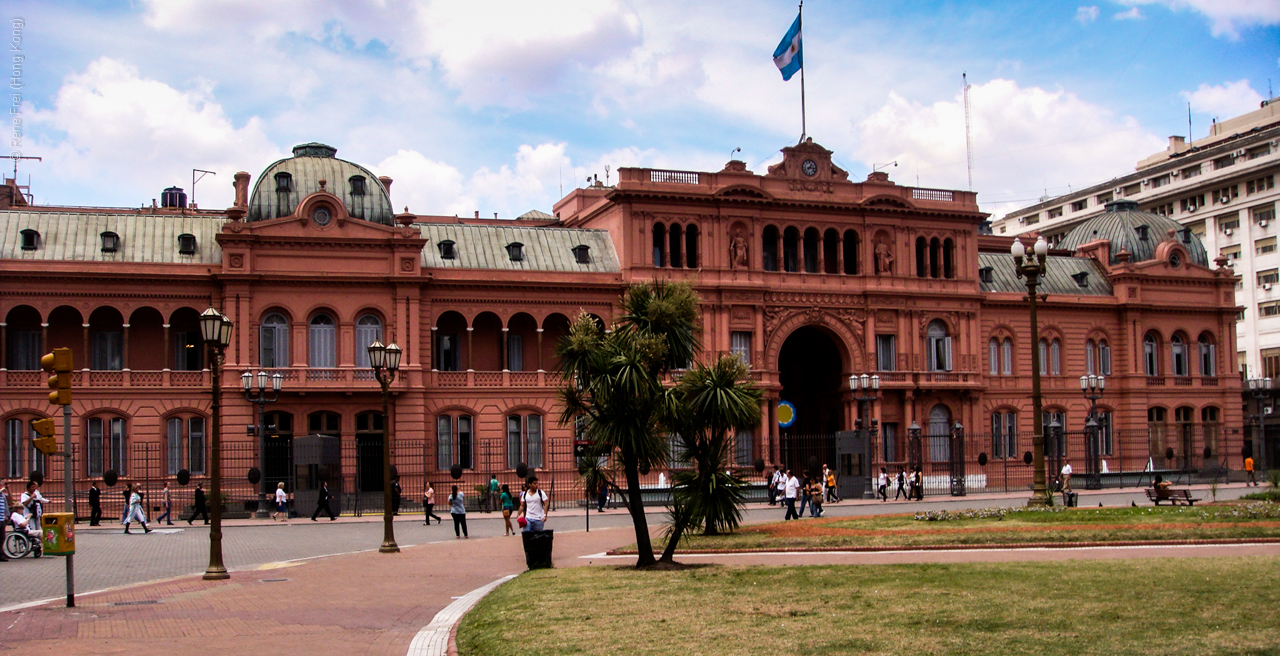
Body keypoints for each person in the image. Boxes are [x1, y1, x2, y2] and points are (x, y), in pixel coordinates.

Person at [0, 482, 9, 561]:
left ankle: (1, 553)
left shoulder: (2, 495)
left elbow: (9, 500)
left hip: (2, 518)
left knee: (2, 537)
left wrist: (6, 515)